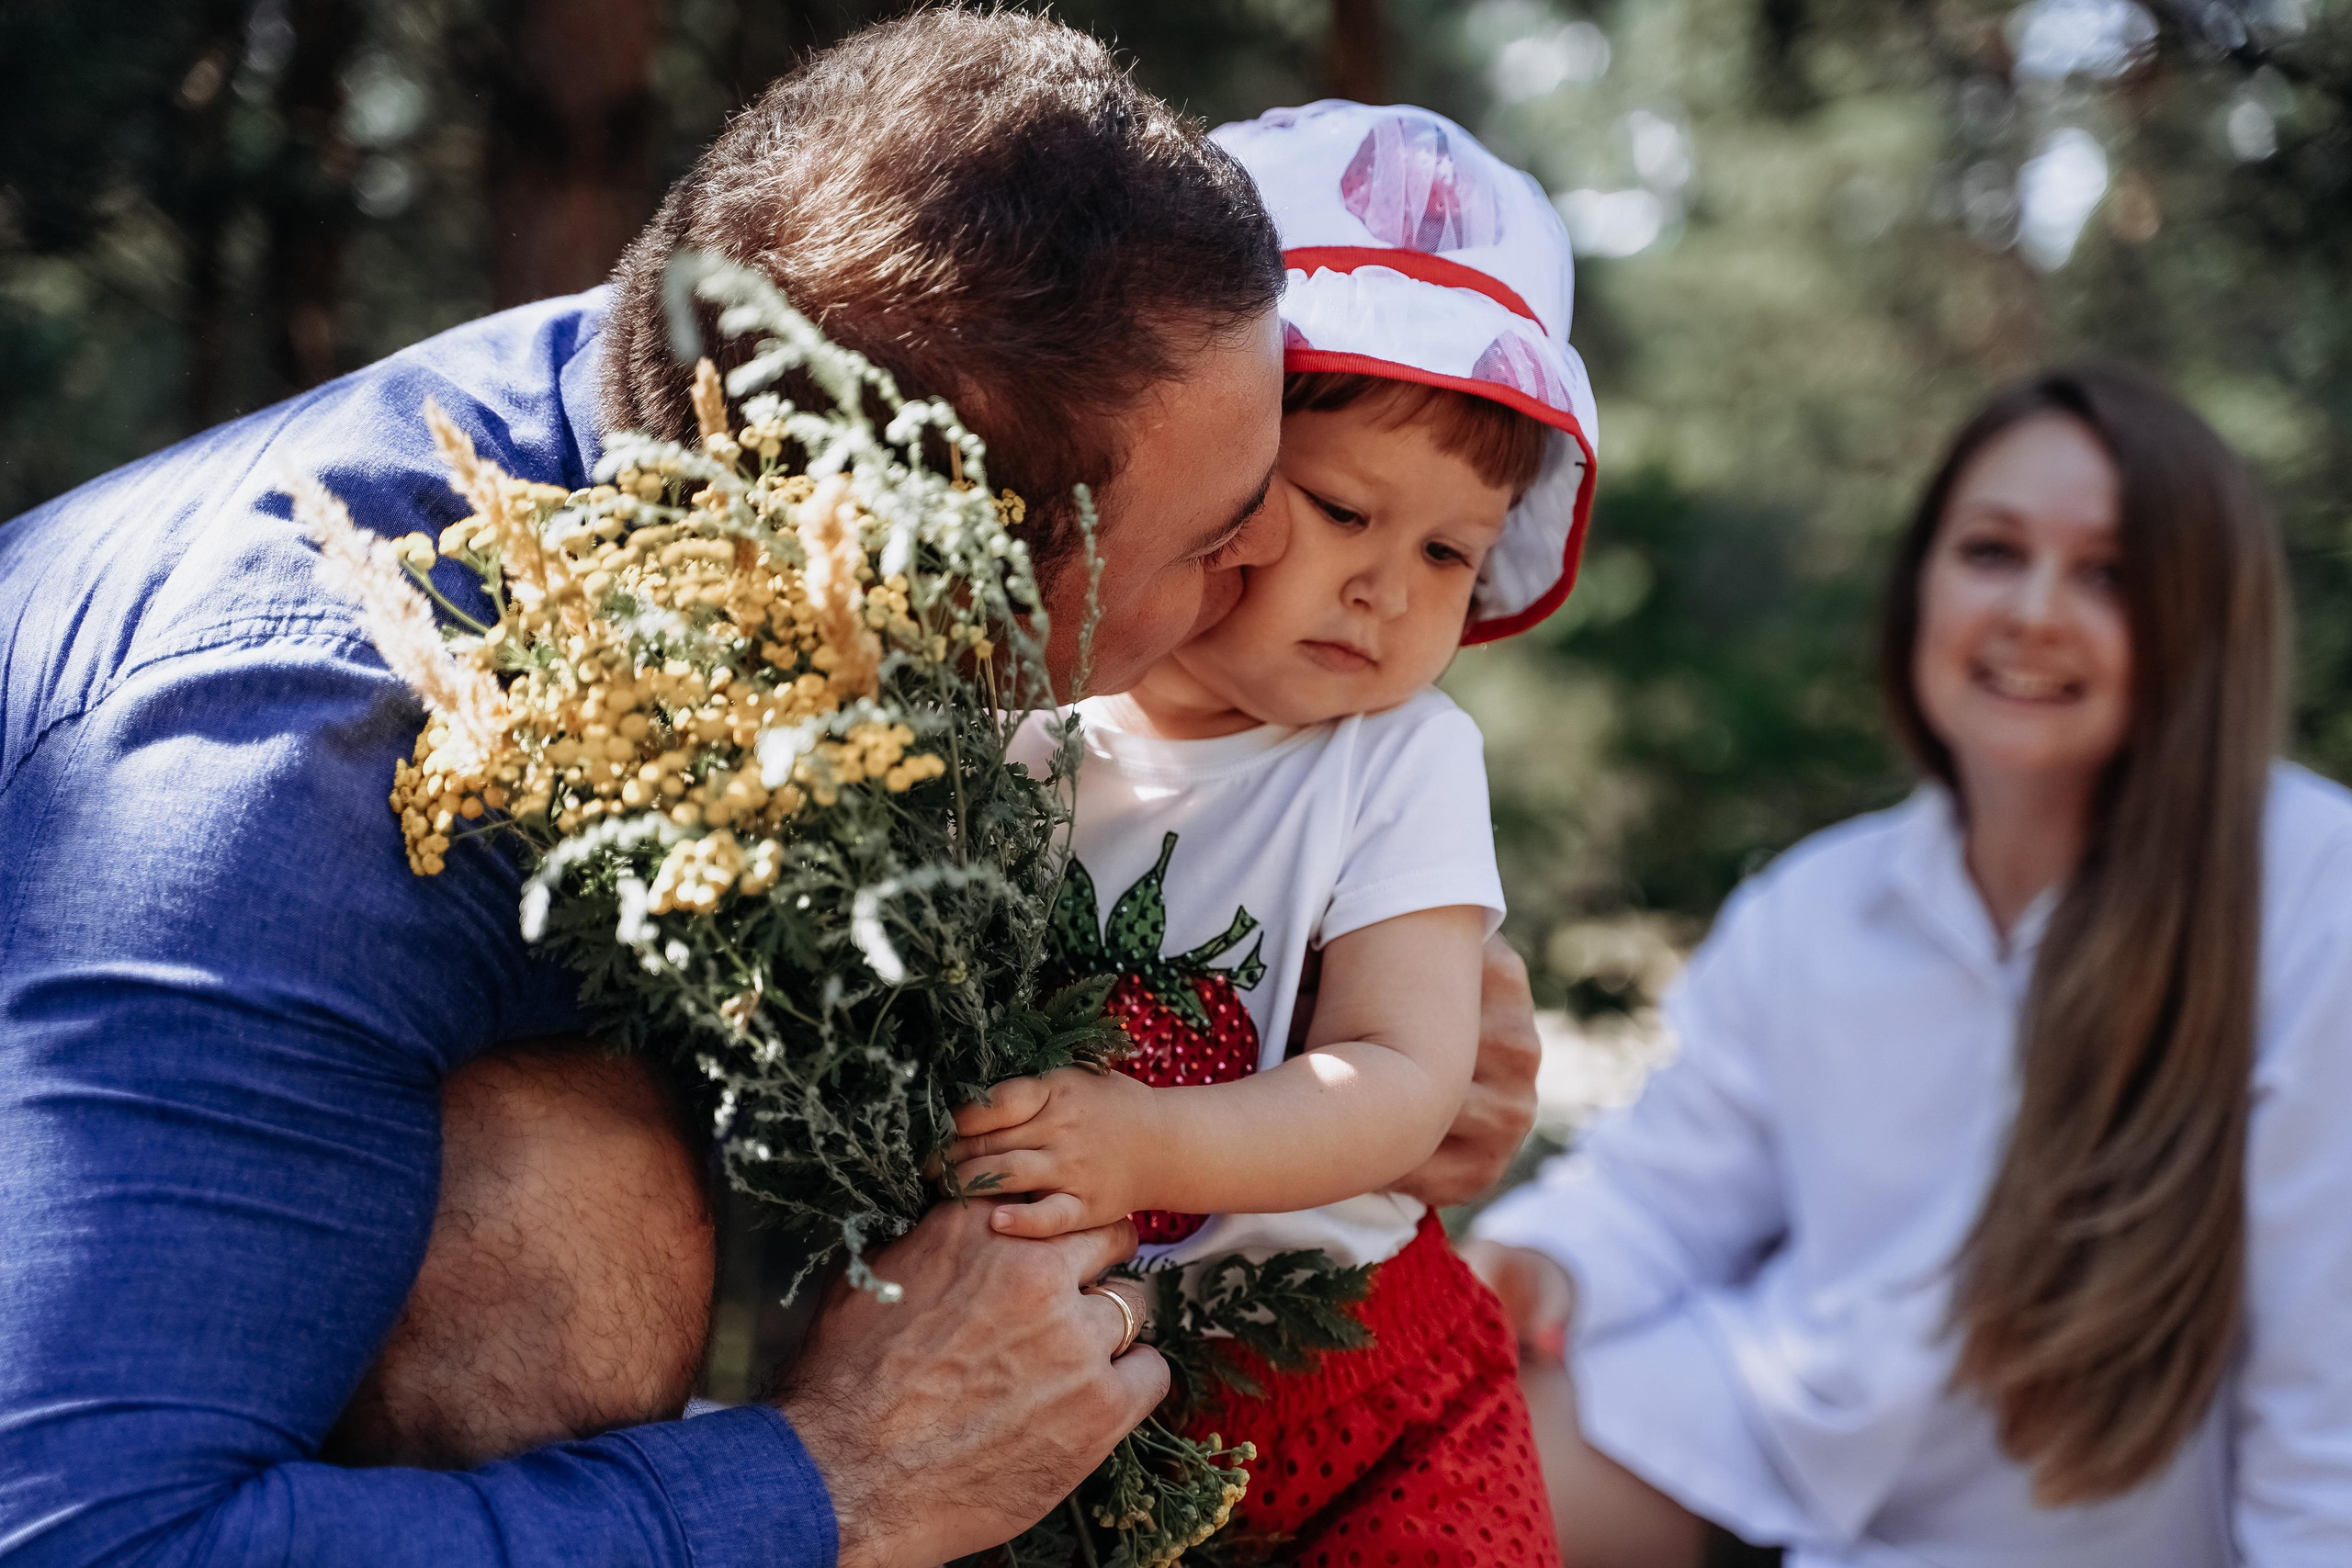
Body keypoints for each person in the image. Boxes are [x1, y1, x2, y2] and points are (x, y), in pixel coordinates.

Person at [2, 16, 1272, 1567]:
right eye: (1223, 538)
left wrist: (1355, 1033)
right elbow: (81, 1540)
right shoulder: (295, 777)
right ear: (945, 591)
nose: (1274, 568)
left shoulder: (733, 417)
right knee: (564, 1220)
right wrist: (839, 1485)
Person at [1464, 367, 2352, 1567]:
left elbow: (2325, 1374)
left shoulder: (2308, 885)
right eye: (1992, 551)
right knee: (1420, 1479)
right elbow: (1667, 1191)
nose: (2034, 611)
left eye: (2109, 574)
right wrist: (1546, 1258)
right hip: (1773, 1439)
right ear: (1922, 582)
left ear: (2201, 616)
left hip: (2086, 1524)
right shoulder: (1818, 902)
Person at [956, 101, 1596, 1562]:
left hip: (1362, 1378)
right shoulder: (1022, 725)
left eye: (1448, 550)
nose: (1387, 588)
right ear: (1208, 459)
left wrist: (1145, 1144)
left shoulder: (1404, 759)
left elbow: (1403, 1077)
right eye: (1342, 509)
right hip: (1074, 1395)